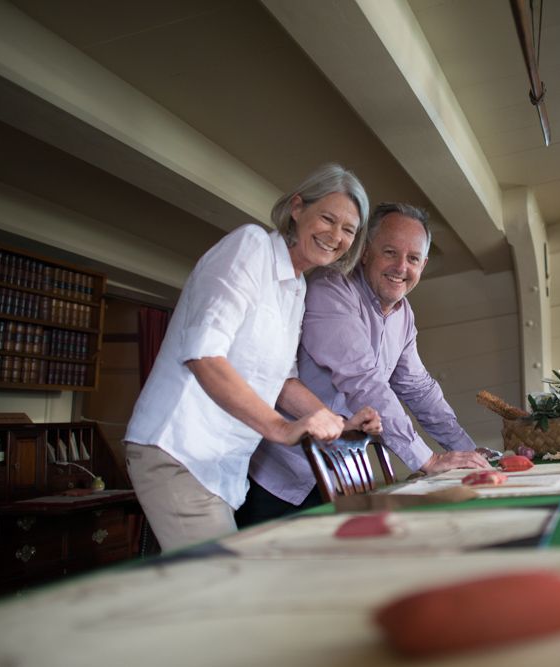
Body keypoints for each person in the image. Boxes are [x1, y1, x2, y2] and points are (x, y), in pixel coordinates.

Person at [123, 164, 382, 552]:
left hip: (221, 467)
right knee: (222, 591)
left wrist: (340, 424)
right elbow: (203, 354)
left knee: (213, 592)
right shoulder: (250, 247)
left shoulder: (295, 287)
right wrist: (279, 428)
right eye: (328, 218)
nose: (336, 236)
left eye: (349, 229)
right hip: (178, 448)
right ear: (297, 208)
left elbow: (281, 382)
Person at [238, 202, 490, 525]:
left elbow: (420, 389)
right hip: (277, 476)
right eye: (390, 252)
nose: (401, 267)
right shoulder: (331, 288)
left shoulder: (404, 315)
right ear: (366, 251)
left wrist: (472, 453)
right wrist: (428, 458)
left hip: (338, 477)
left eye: (413, 258)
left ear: (423, 265)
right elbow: (364, 382)